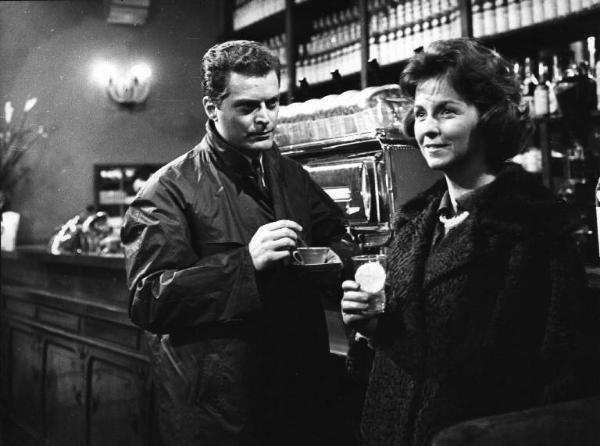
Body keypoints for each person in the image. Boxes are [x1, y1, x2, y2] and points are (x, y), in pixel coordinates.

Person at [341, 38, 600, 446]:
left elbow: (561, 381)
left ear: (490, 118)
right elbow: (391, 355)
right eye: (421, 113)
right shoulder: (412, 223)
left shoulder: (535, 228)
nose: (427, 128)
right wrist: (369, 329)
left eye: (446, 111)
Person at [121, 40, 350, 446]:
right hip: (219, 408)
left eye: (272, 103)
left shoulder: (289, 173)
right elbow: (148, 299)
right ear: (212, 107)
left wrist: (334, 258)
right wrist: (247, 263)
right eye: (247, 107)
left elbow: (337, 235)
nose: (265, 119)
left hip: (295, 390)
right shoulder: (167, 189)